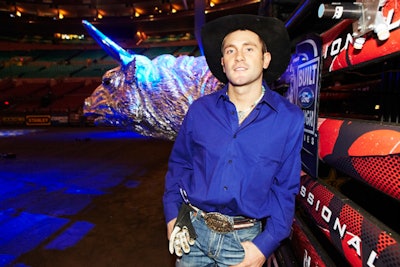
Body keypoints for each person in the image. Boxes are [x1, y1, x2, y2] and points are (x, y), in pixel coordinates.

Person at [163, 14, 304, 267]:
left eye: (249, 49)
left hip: (243, 243)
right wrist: (172, 216)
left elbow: (285, 188)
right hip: (192, 235)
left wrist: (265, 245)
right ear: (223, 62)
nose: (239, 56)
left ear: (265, 59)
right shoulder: (199, 110)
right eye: (231, 50)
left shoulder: (289, 118)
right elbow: (179, 166)